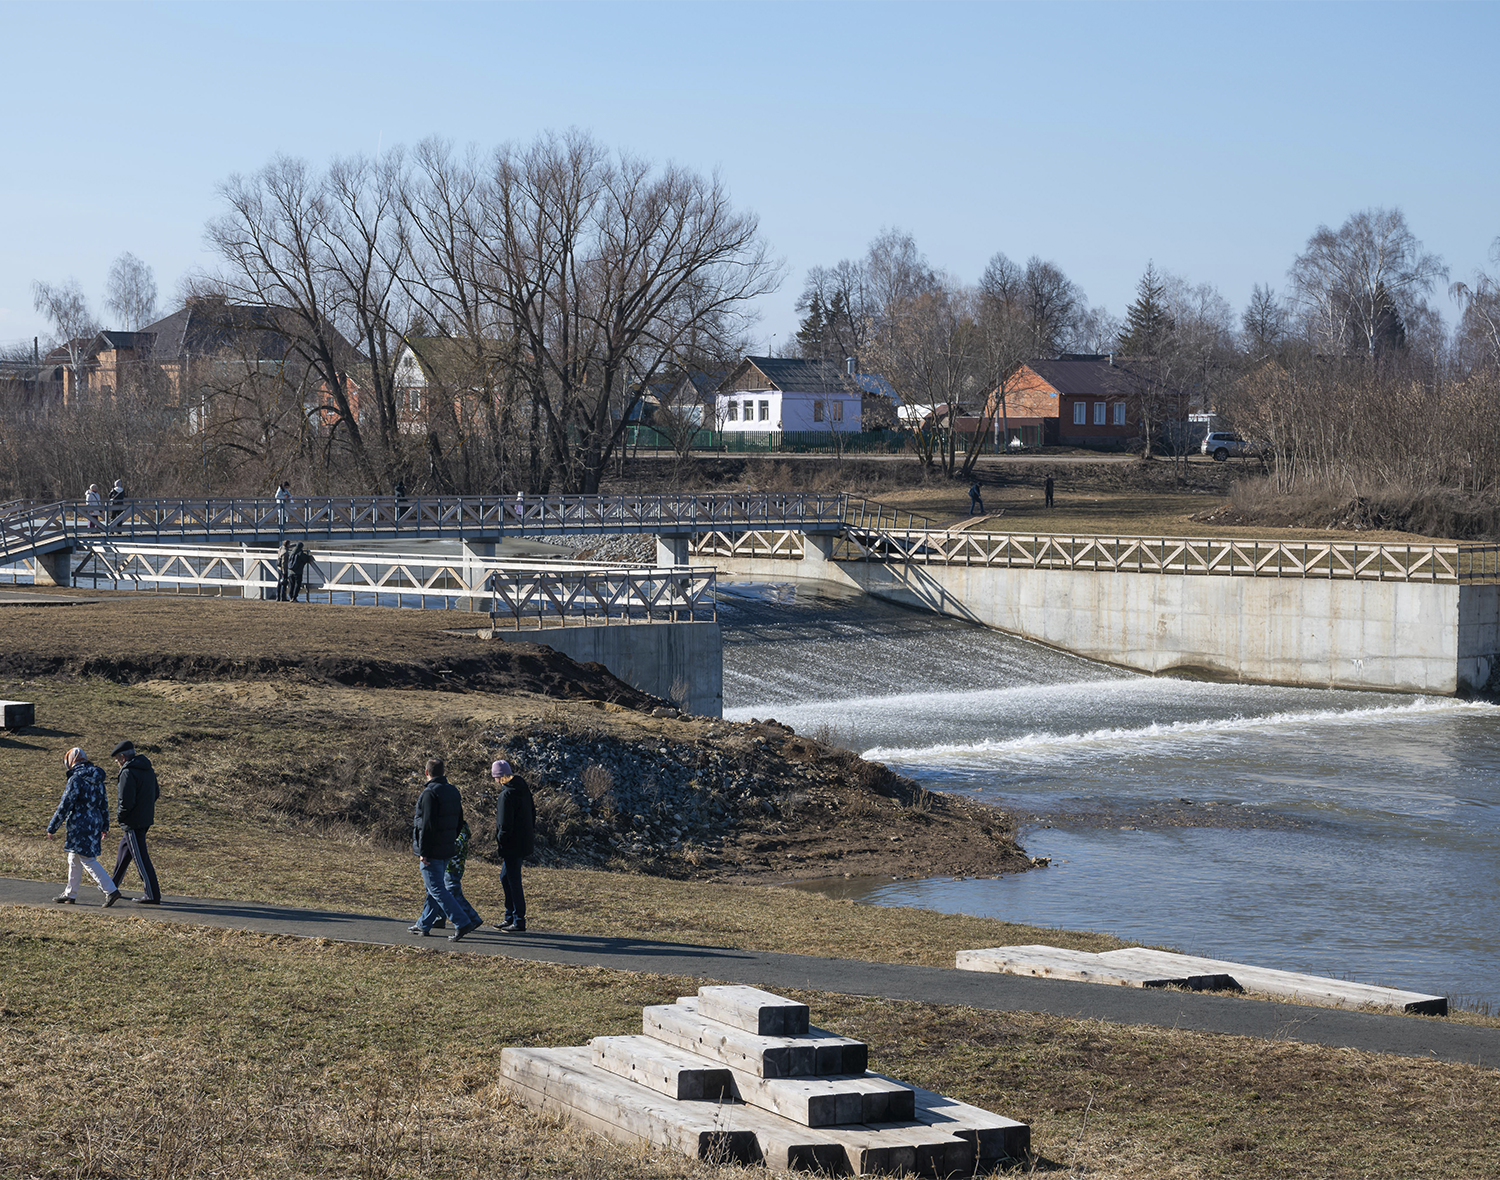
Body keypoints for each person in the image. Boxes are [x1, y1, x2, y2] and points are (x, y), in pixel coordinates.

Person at [412, 757, 479, 941]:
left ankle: (462, 922)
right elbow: (459, 821)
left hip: (431, 851)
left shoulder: (429, 793)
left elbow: (426, 826)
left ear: (427, 773)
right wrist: (450, 839)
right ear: (443, 772)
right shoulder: (453, 791)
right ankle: (424, 923)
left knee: (436, 888)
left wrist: (423, 851)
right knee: (433, 888)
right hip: (447, 848)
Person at [46, 748, 122, 906]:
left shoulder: (76, 779)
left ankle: (111, 890)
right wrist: (105, 825)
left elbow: (65, 804)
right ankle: (70, 893)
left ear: (71, 761)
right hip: (95, 822)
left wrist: (52, 826)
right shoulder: (98, 777)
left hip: (79, 824)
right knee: (74, 857)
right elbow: (104, 803)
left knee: (87, 859)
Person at [109, 740, 162, 905]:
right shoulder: (148, 769)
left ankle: (152, 894)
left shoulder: (127, 772)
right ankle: (111, 886)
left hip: (133, 821)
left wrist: (120, 817)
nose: (118, 763)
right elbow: (156, 793)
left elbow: (125, 801)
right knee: (124, 850)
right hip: (145, 818)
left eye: (117, 760)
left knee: (140, 858)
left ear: (123, 757)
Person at [410, 817, 482, 935]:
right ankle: (439, 918)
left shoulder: (460, 831)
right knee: (438, 892)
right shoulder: (455, 829)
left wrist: (443, 843)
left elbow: (456, 846)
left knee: (451, 892)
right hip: (449, 865)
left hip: (453, 867)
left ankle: (472, 918)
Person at [491, 759, 535, 933]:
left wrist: (501, 844)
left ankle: (518, 920)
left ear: (499, 777)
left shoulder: (506, 795)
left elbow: (503, 825)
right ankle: (510, 916)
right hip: (523, 841)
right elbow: (533, 812)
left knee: (513, 880)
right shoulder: (522, 789)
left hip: (512, 844)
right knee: (506, 877)